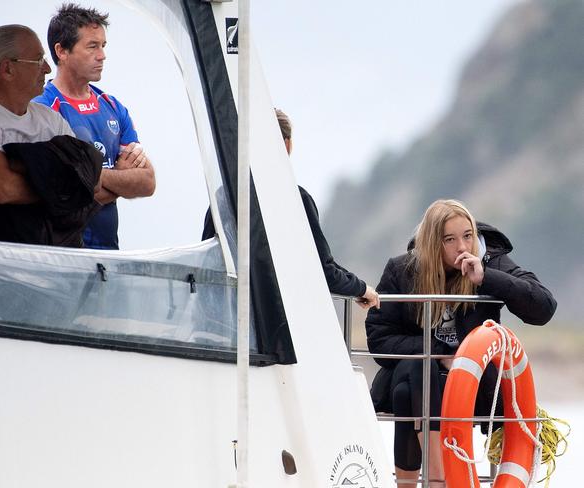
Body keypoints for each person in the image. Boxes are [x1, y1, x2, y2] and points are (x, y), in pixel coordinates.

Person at [365, 199, 557, 487]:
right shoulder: (402, 270)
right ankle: (438, 475)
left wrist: (486, 278)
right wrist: (440, 354)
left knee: (410, 389)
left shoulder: (492, 260)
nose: (462, 247)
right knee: (419, 370)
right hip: (417, 374)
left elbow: (544, 308)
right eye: (450, 240)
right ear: (432, 243)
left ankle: (427, 480)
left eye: (467, 236)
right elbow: (379, 338)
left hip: (476, 384)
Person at [202, 108, 379, 309]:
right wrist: (362, 289)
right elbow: (323, 270)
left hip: (227, 318)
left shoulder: (224, 196)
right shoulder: (296, 200)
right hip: (277, 325)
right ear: (286, 145)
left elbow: (209, 263)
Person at [34, 3, 156, 250]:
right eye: (92, 46)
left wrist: (87, 179)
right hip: (63, 258)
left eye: (103, 46)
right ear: (62, 51)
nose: (102, 55)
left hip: (109, 257)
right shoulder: (43, 109)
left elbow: (147, 181)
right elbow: (60, 196)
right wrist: (121, 178)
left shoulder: (112, 106)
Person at [0, 24, 75, 240]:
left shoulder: (52, 120)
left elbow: (83, 179)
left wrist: (21, 168)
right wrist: (61, 191)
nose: (47, 68)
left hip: (54, 264)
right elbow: (4, 189)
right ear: (8, 69)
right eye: (38, 60)